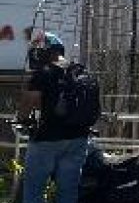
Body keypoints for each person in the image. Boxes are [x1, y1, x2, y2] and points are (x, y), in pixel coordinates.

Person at [17, 31, 90, 203]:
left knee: (34, 191)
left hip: (47, 138)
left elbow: (29, 102)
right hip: (78, 138)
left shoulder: (43, 73)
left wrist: (22, 119)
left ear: (43, 52)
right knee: (68, 192)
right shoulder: (79, 70)